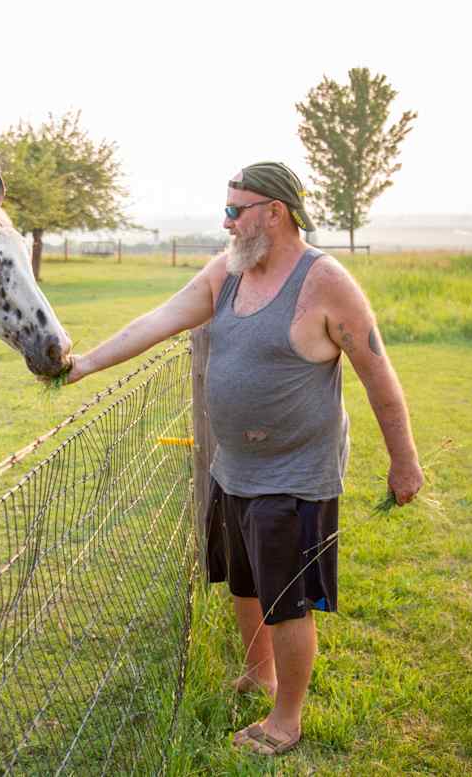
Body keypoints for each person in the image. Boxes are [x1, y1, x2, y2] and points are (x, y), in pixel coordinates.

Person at [64, 161, 423, 757]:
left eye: (235, 210)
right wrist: (83, 365)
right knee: (245, 582)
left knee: (287, 599)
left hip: (295, 472)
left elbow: (377, 374)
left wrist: (404, 461)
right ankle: (260, 674)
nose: (225, 222)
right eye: (225, 209)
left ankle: (286, 720)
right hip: (233, 467)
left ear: (273, 213)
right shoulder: (228, 272)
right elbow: (158, 320)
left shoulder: (325, 282)